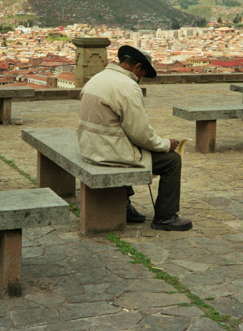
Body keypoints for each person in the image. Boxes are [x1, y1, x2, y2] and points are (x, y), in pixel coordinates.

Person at [77, 45, 192, 231]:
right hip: (108, 152)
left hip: (89, 146)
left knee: (131, 146)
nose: (140, 79)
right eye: (142, 74)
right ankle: (165, 216)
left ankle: (124, 202)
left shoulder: (98, 78)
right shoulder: (128, 87)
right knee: (172, 160)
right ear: (137, 68)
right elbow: (141, 135)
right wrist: (166, 144)